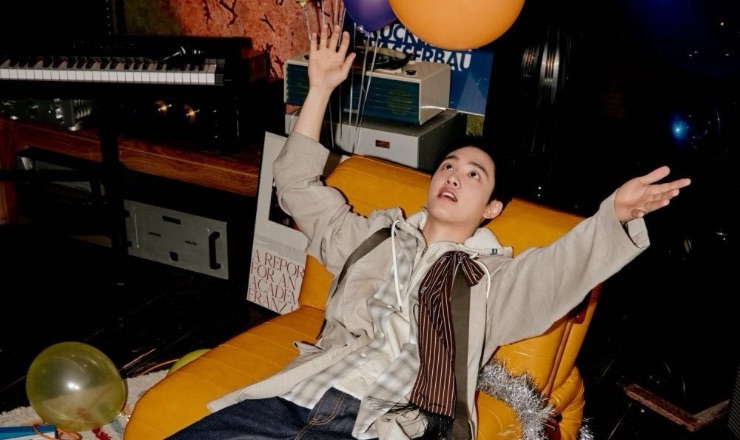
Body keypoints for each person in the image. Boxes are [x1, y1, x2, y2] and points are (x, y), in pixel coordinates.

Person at [168, 24, 691, 440]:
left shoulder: (490, 281)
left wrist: (613, 215)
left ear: (491, 208)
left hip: (387, 425)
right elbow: (294, 185)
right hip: (296, 399)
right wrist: (320, 87)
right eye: (449, 165)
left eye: (474, 175)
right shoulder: (371, 238)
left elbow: (558, 274)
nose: (455, 176)